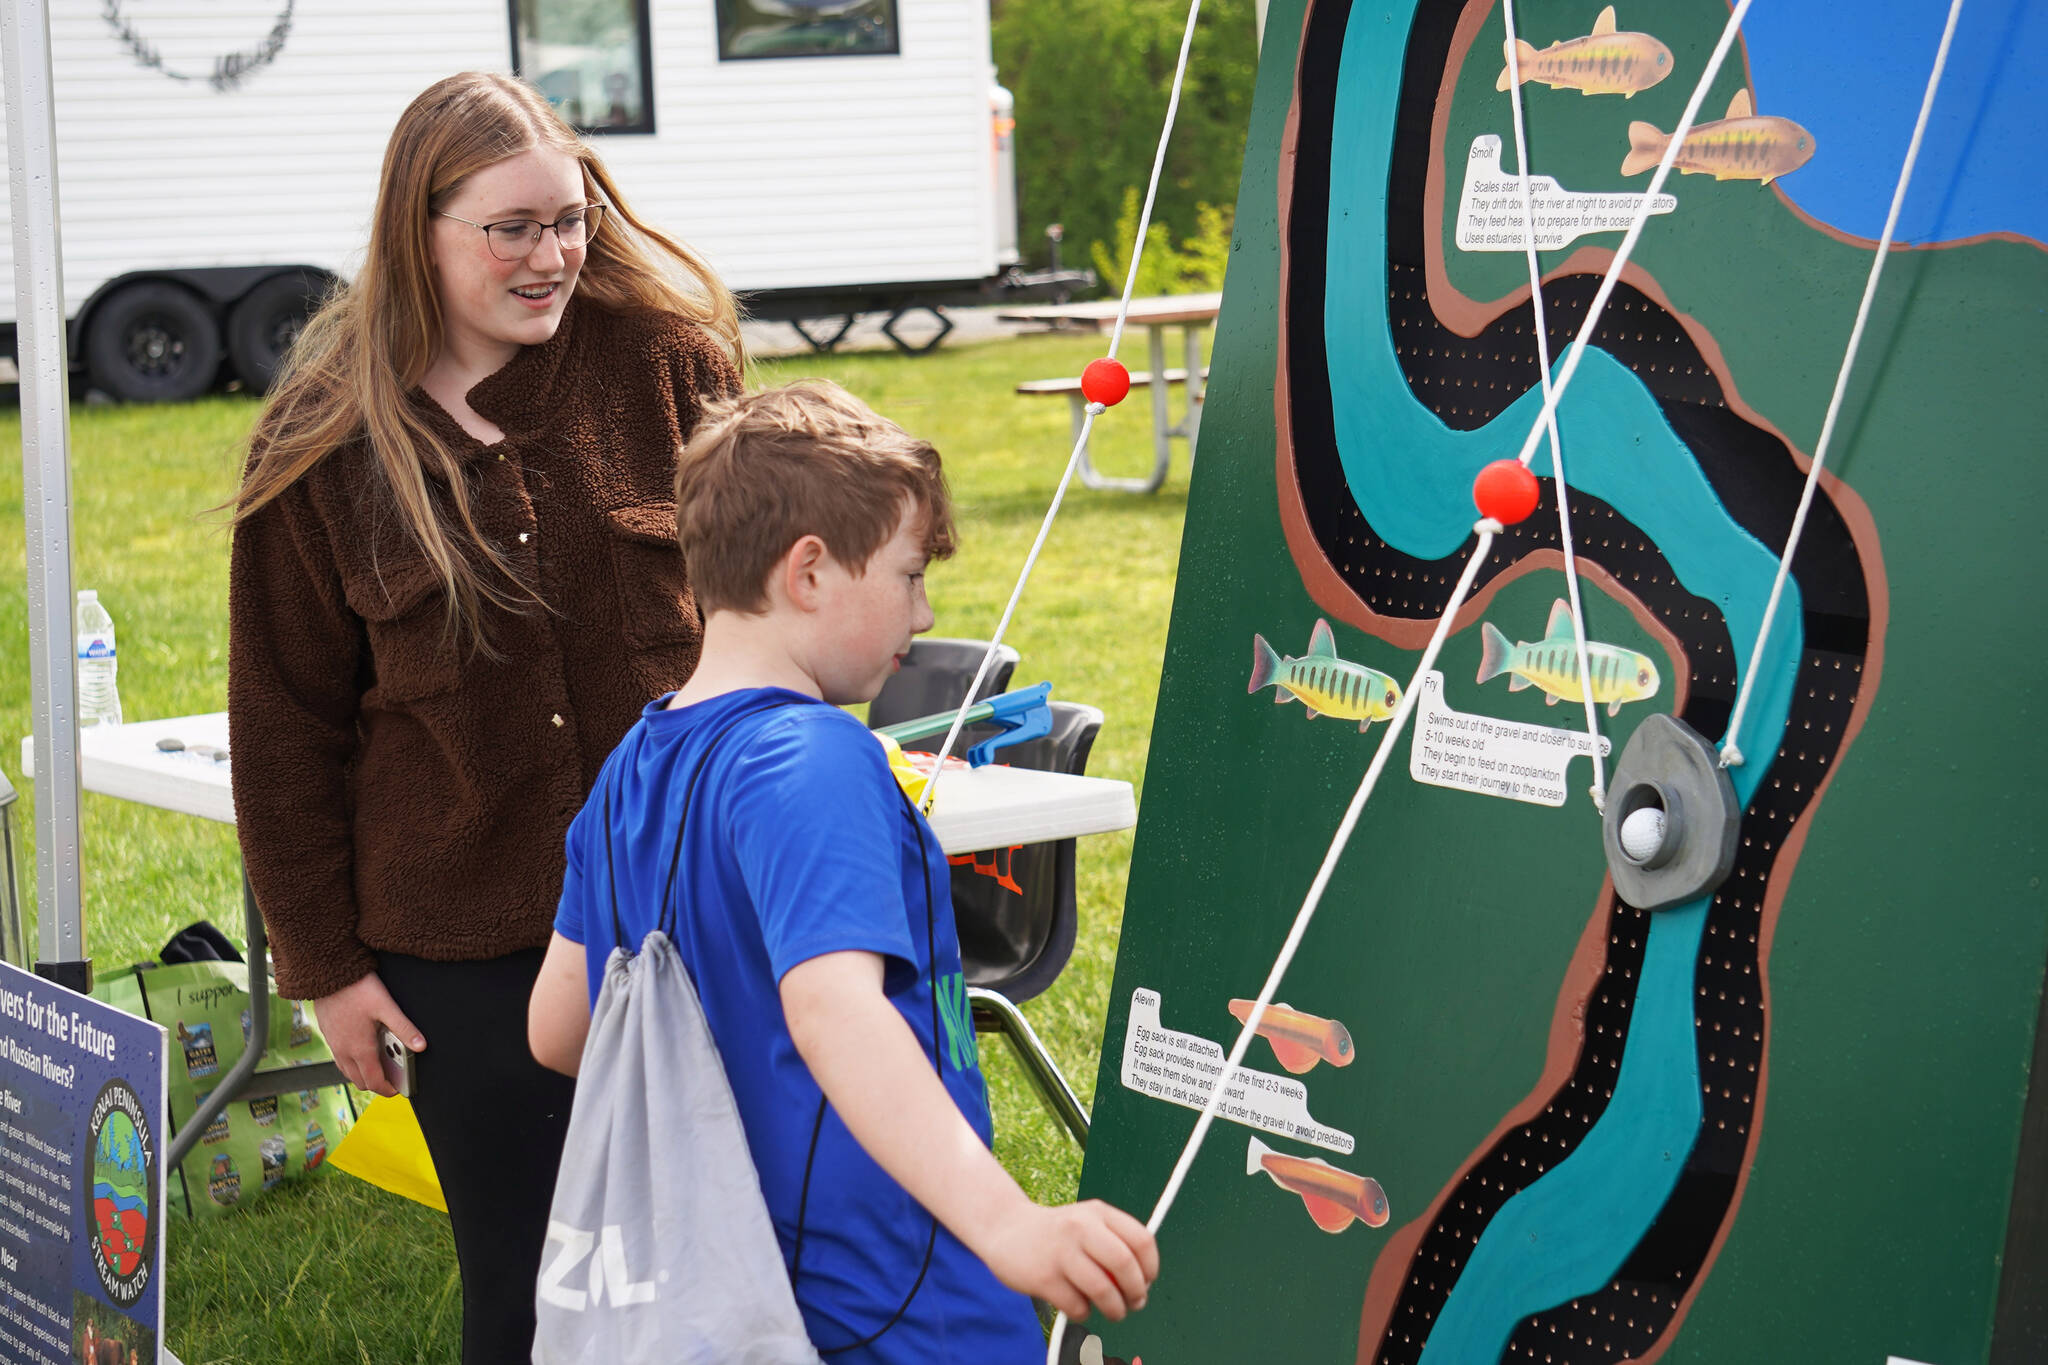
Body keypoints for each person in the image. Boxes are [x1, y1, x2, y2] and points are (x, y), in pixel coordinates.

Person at [226, 71, 741, 1363]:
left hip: (697, 914)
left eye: (568, 219)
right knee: (531, 1290)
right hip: (467, 954)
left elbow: (765, 608)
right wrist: (328, 970)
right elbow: (285, 728)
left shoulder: (666, 364)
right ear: (420, 226)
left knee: (738, 1267)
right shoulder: (324, 439)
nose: (553, 255)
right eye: (509, 229)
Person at [527, 382, 1160, 1361]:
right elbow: (834, 1010)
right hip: (884, 1301)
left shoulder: (630, 769)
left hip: (725, 1293)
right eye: (908, 575)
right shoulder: (817, 758)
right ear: (810, 572)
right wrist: (1007, 1223)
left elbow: (557, 1030)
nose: (925, 609)